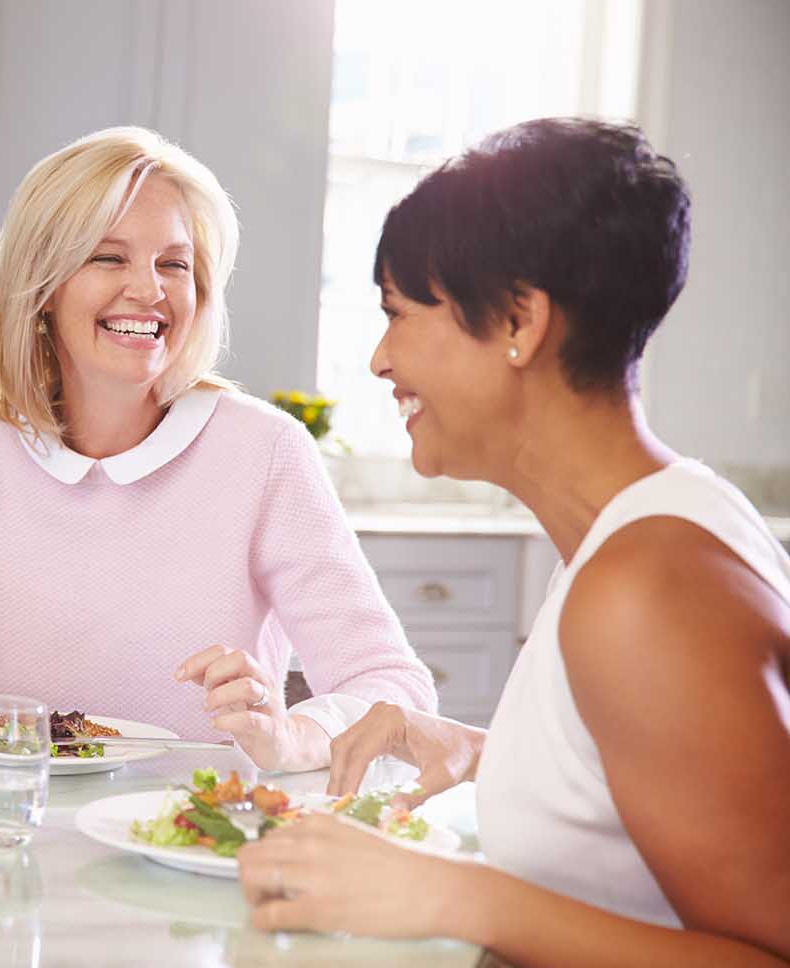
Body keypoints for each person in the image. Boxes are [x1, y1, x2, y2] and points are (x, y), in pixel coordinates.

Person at [237, 118, 790, 964]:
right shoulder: (639, 539)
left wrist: (456, 896)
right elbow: (649, 804)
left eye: (397, 313)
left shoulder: (648, 591)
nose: (380, 361)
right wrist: (477, 752)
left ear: (519, 321)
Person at [0, 126, 434, 768]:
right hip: (20, 837)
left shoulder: (263, 453)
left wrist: (292, 736)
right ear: (44, 286)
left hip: (200, 845)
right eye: (109, 257)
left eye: (176, 263)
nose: (150, 289)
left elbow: (392, 685)